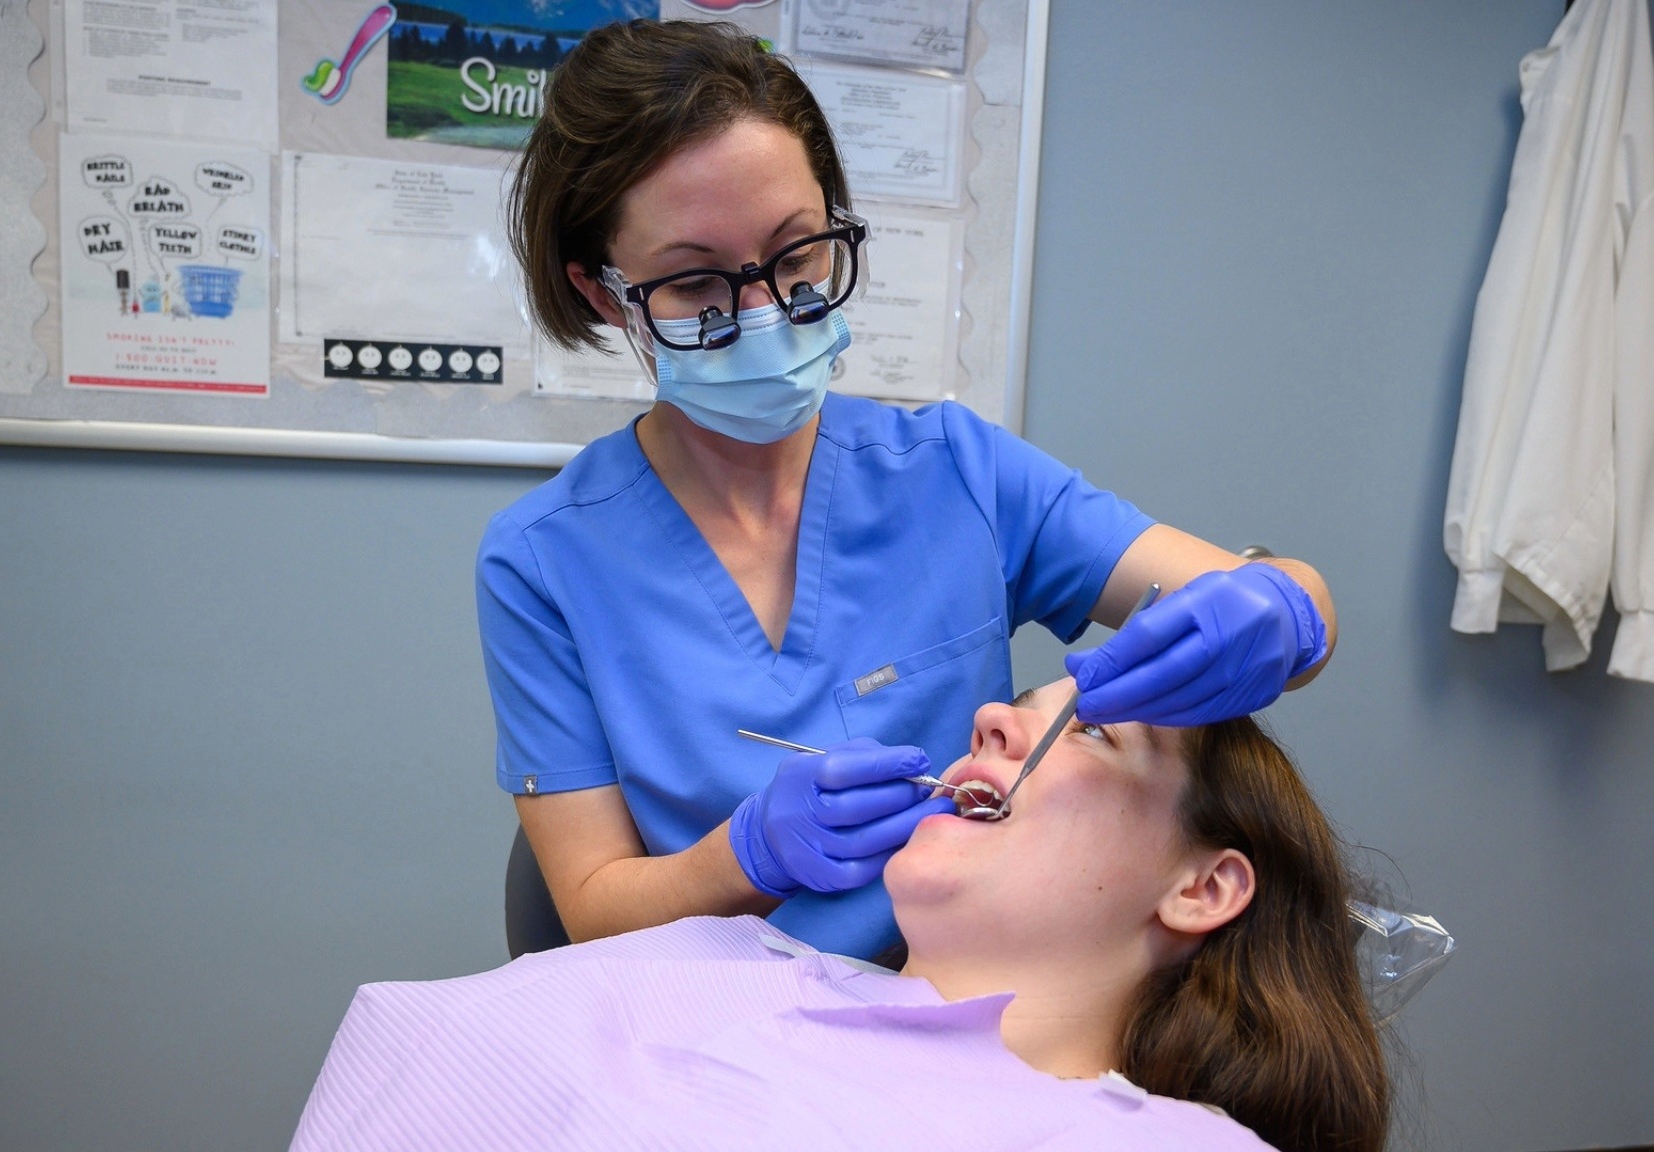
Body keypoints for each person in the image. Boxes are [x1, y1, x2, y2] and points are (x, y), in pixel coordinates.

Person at [482, 19, 1340, 961]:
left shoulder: (957, 472)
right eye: (695, 285)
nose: (766, 314)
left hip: (960, 995)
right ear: (606, 295)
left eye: (797, 256)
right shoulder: (544, 561)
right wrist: (747, 855)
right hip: (717, 1019)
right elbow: (592, 911)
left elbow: (1276, 602)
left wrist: (1286, 610)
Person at [292, 680, 1390, 1152]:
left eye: (1091, 734)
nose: (993, 718)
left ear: (1201, 888)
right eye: (1020, 704)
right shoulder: (717, 961)